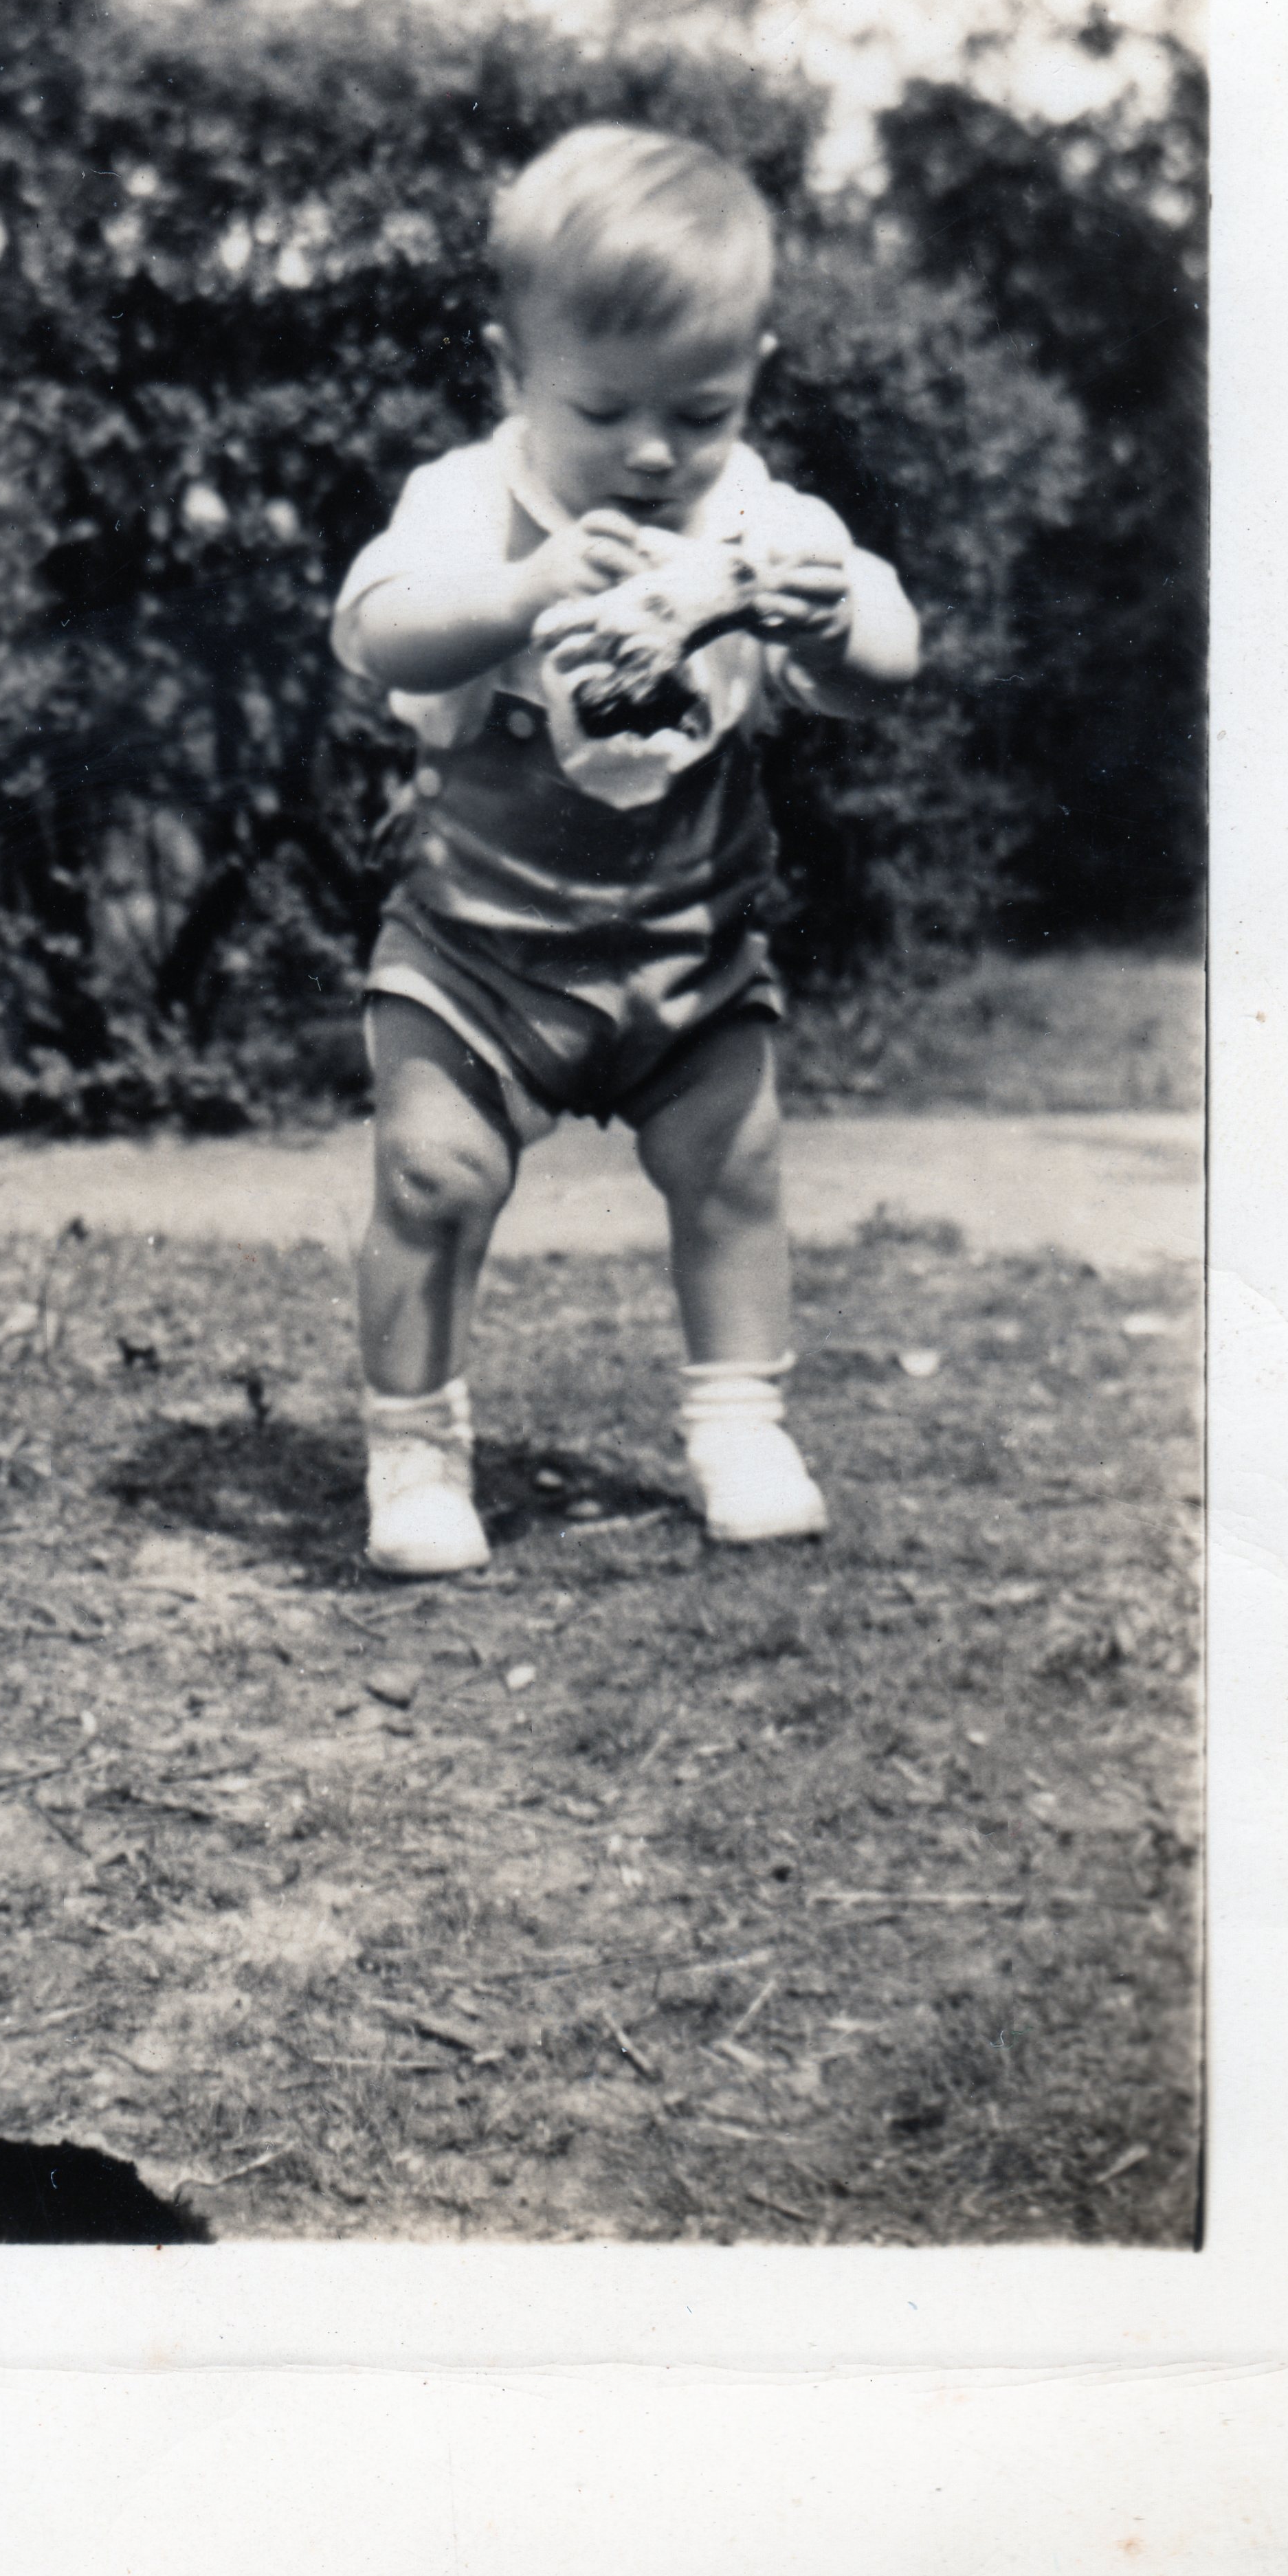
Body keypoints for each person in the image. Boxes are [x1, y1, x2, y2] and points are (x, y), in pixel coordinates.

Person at [331, 124, 921, 1578]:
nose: (653, 454)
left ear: (752, 379)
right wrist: (517, 593)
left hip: (687, 951)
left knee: (736, 1166)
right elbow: (376, 633)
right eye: (603, 411)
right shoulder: (472, 503)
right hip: (479, 954)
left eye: (700, 412)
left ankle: (740, 1426)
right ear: (513, 372)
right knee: (431, 1177)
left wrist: (832, 620)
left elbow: (887, 666)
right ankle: (415, 1449)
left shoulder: (763, 517)